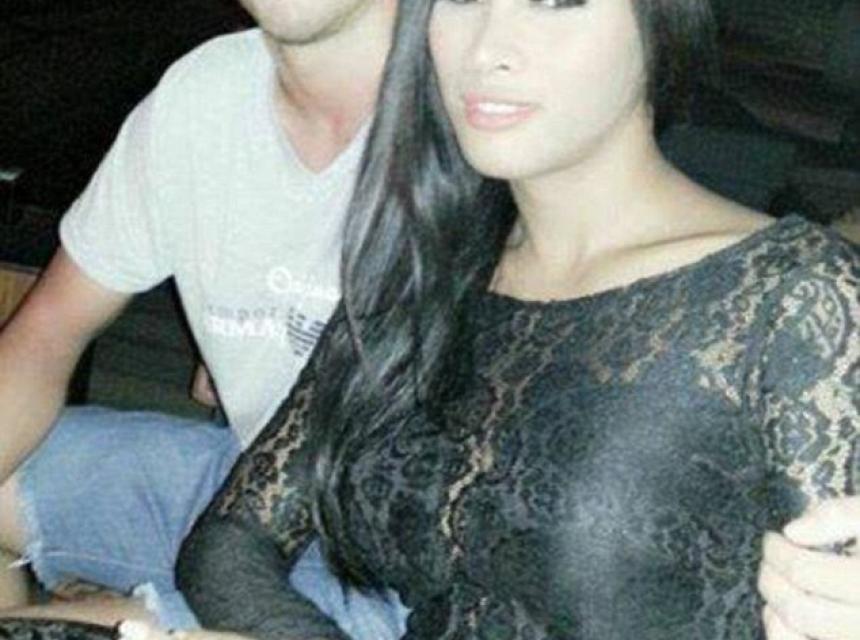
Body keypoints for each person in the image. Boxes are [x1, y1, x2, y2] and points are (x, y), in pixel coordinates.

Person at [0, 1, 856, 640]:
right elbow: (233, 537)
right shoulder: (428, 270)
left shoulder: (791, 296)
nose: (488, 47)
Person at [0, 0, 407, 637]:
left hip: (412, 579)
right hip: (248, 495)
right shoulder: (208, 90)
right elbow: (48, 331)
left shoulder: (490, 115)